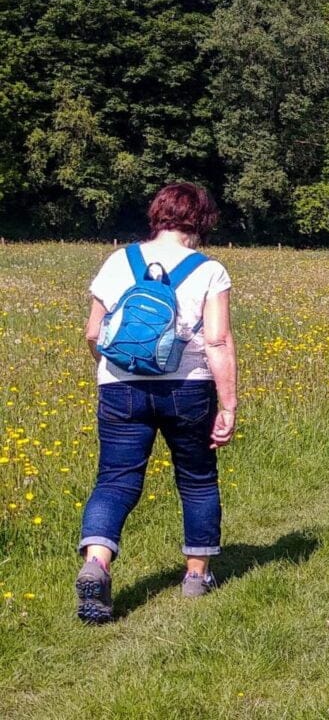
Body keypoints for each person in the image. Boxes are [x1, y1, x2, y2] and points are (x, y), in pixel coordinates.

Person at [75, 183, 237, 624]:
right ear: (201, 221)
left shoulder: (117, 261)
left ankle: (98, 561)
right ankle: (196, 577)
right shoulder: (209, 271)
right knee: (197, 480)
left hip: (119, 387)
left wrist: (111, 372)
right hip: (187, 387)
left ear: (157, 215)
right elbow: (217, 341)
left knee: (115, 481)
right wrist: (228, 405)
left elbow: (93, 334)